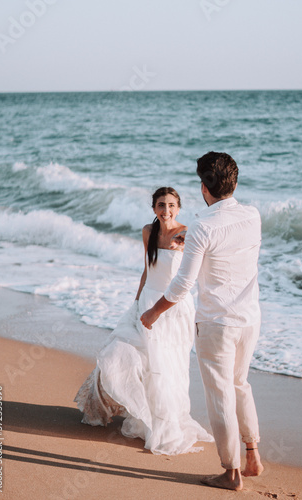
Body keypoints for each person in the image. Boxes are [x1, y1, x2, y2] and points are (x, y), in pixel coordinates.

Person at [141, 153, 264, 490]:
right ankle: (252, 456)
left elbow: (182, 285)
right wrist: (194, 245)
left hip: (217, 324)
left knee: (220, 395)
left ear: (203, 188)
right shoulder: (252, 215)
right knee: (241, 385)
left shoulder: (201, 227)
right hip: (250, 318)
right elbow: (236, 251)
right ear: (234, 183)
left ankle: (231, 472)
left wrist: (153, 311)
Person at [75, 186, 213, 455]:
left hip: (174, 309)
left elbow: (199, 273)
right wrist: (137, 302)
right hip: (147, 302)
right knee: (121, 352)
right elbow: (147, 270)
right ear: (153, 208)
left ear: (179, 207)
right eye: (161, 205)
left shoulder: (188, 234)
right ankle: (137, 413)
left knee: (168, 367)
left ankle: (163, 424)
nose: (166, 210)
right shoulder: (148, 232)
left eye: (171, 205)